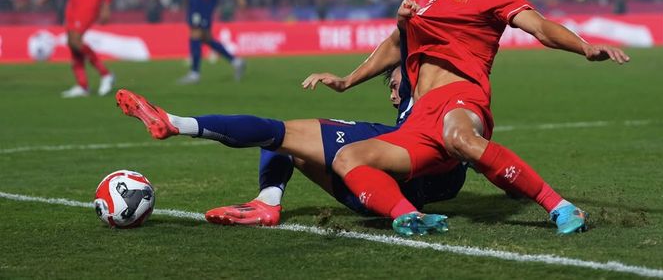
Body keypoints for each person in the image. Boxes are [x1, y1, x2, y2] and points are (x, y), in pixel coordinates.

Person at [303, 0, 630, 236]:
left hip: (461, 98)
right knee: (347, 159)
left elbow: (541, 28)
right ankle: (409, 216)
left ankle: (559, 206)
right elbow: (395, 44)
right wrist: (347, 81)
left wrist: (585, 47)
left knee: (459, 137)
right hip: (420, 116)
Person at [116, 65, 467, 226]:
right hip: (371, 192)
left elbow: (402, 39)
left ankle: (176, 122)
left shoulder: (432, 108)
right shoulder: (455, 130)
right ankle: (267, 203)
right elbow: (471, 162)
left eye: (396, 85)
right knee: (283, 140)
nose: (392, 92)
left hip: (386, 180)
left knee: (277, 132)